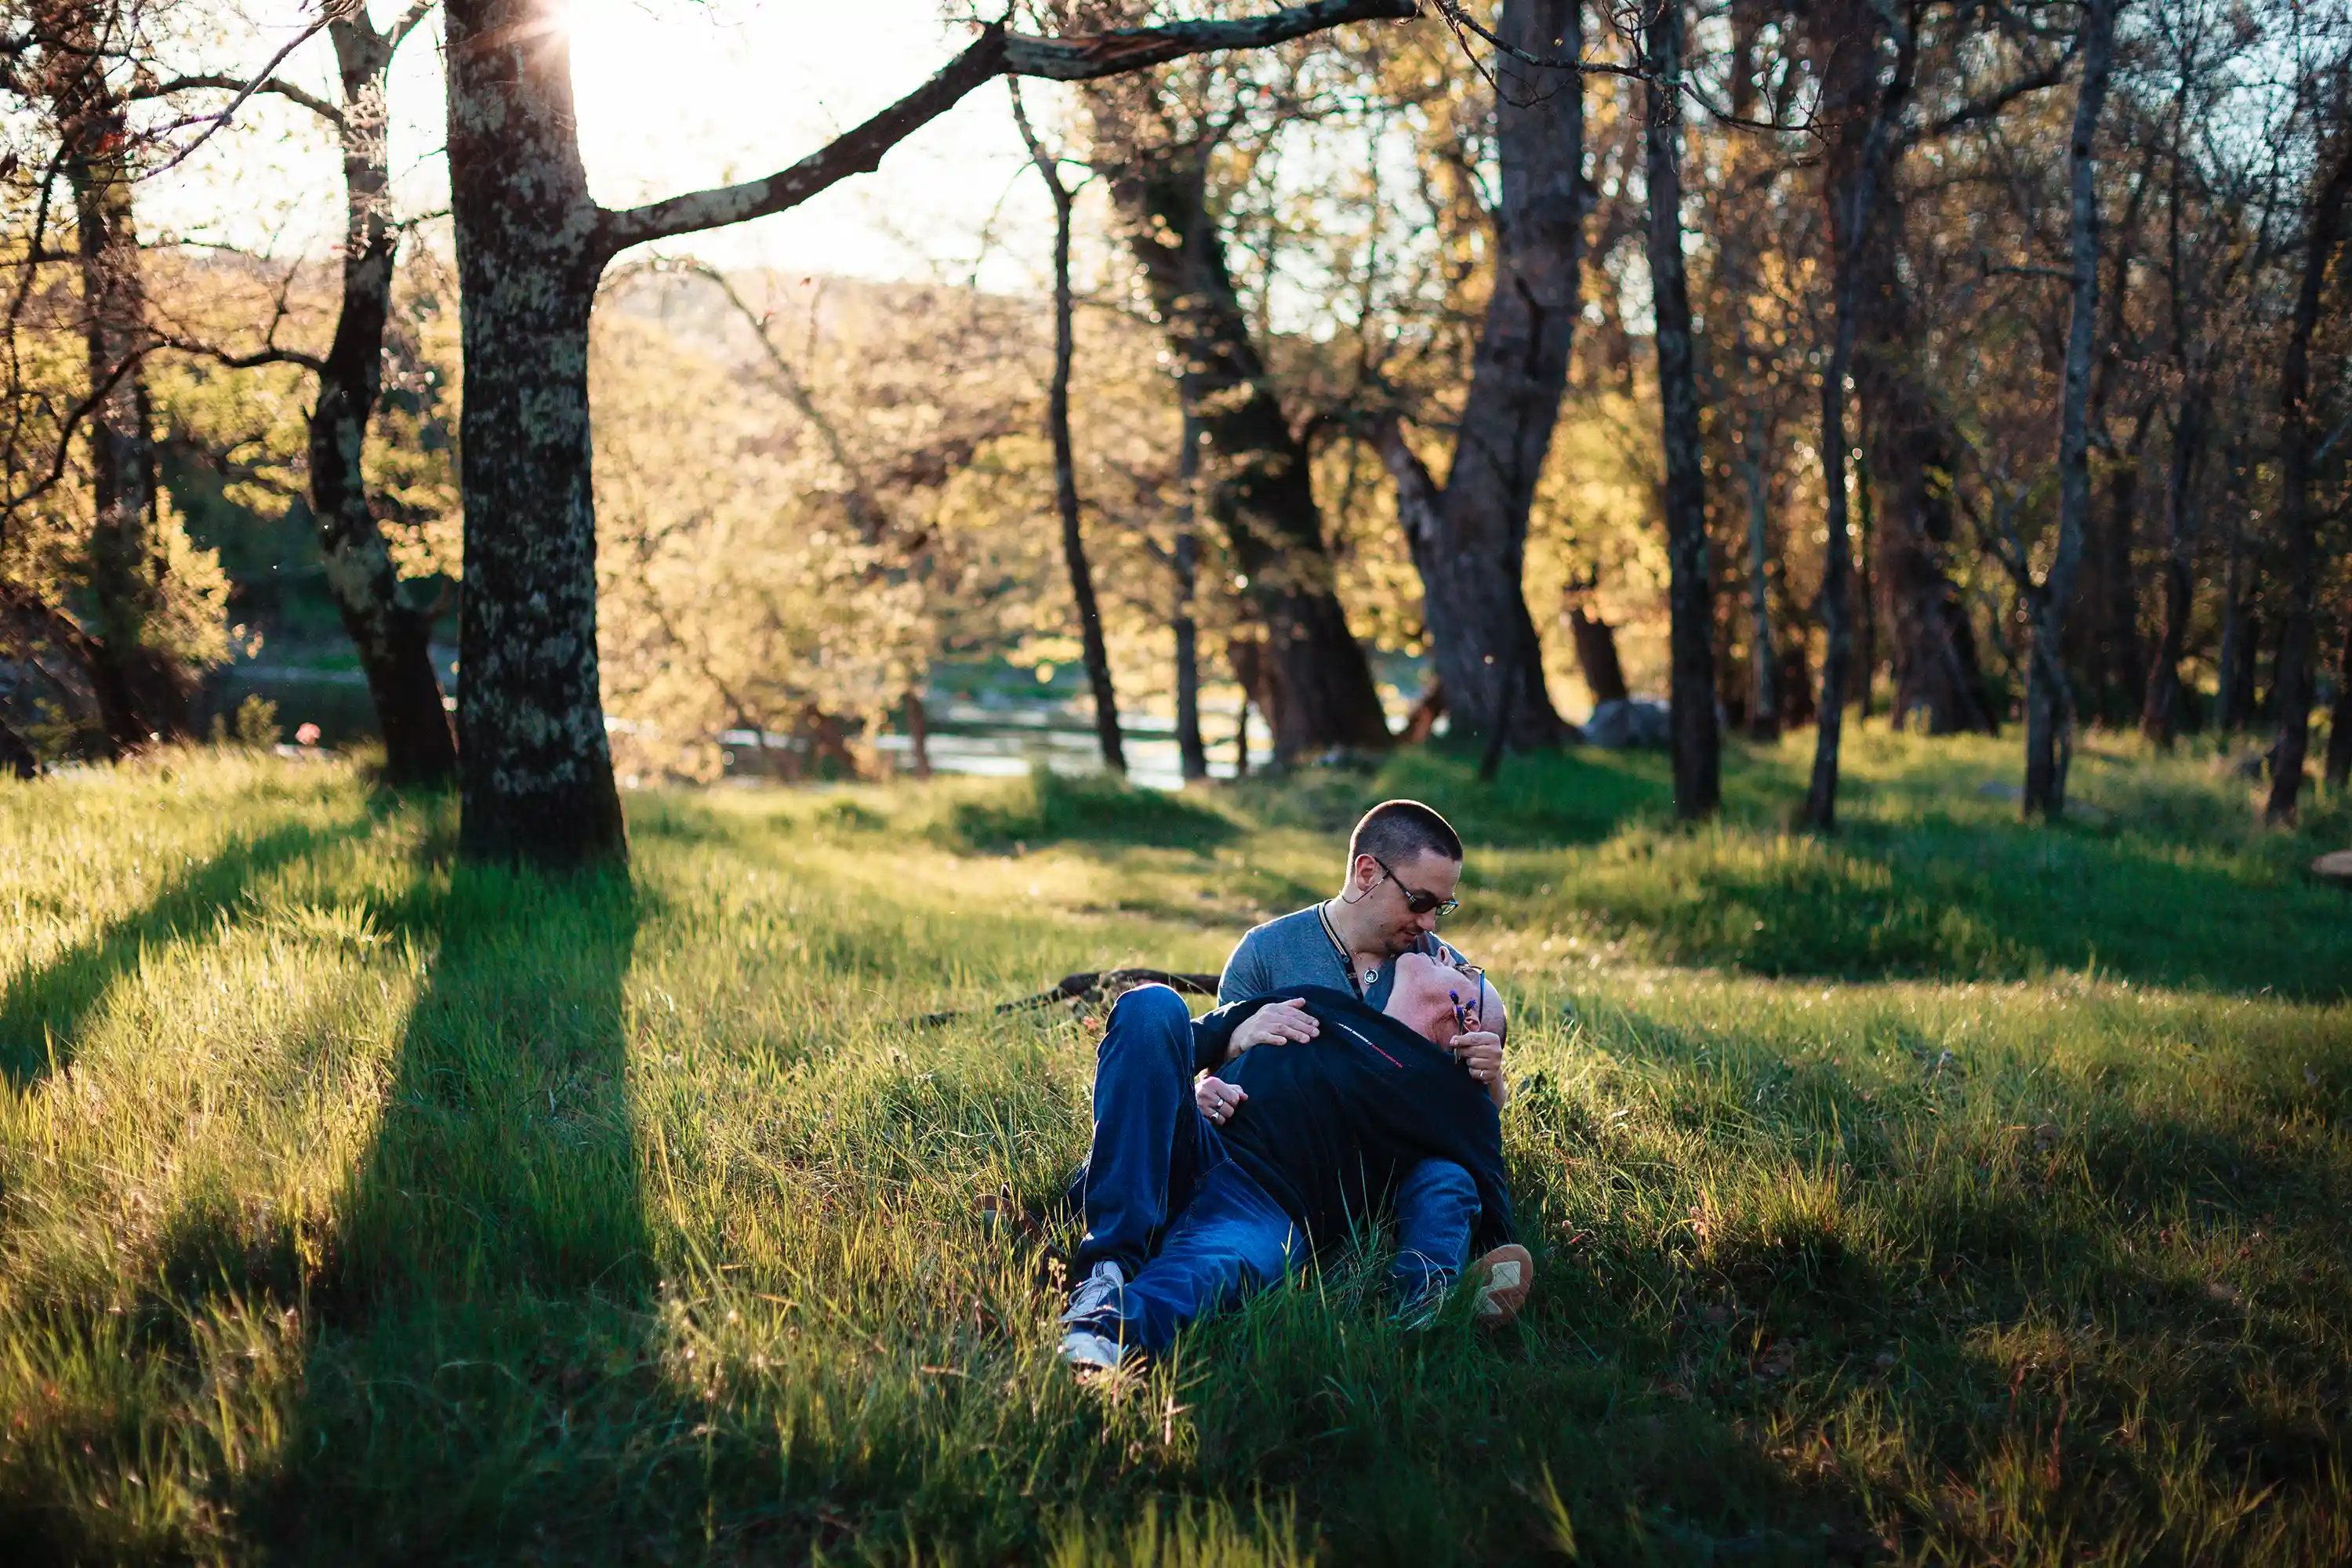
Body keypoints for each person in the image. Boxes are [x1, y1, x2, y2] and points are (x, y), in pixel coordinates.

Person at [1057, 952, 1527, 1371]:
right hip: (1195, 1139)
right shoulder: (1318, 1001)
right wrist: (1224, 1050)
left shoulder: (1449, 1100)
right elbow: (1164, 1046)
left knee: (1202, 1277)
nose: (1444, 953)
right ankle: (1104, 1268)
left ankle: (1107, 1331)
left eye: (1466, 973)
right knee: (1152, 1006)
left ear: (1466, 1022)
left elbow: (1492, 1215)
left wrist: (1488, 1086)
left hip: (1264, 1209)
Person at [1199, 800, 1512, 1308]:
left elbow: (1469, 1118)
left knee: (1447, 1181)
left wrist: (1491, 1076)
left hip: (1401, 1159)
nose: (1430, 921)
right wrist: (1236, 1037)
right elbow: (1219, 1091)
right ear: (1368, 872)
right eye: (1419, 900)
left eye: (1443, 906)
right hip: (1300, 1166)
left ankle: (1425, 1300)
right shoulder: (1266, 953)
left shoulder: (1436, 967)